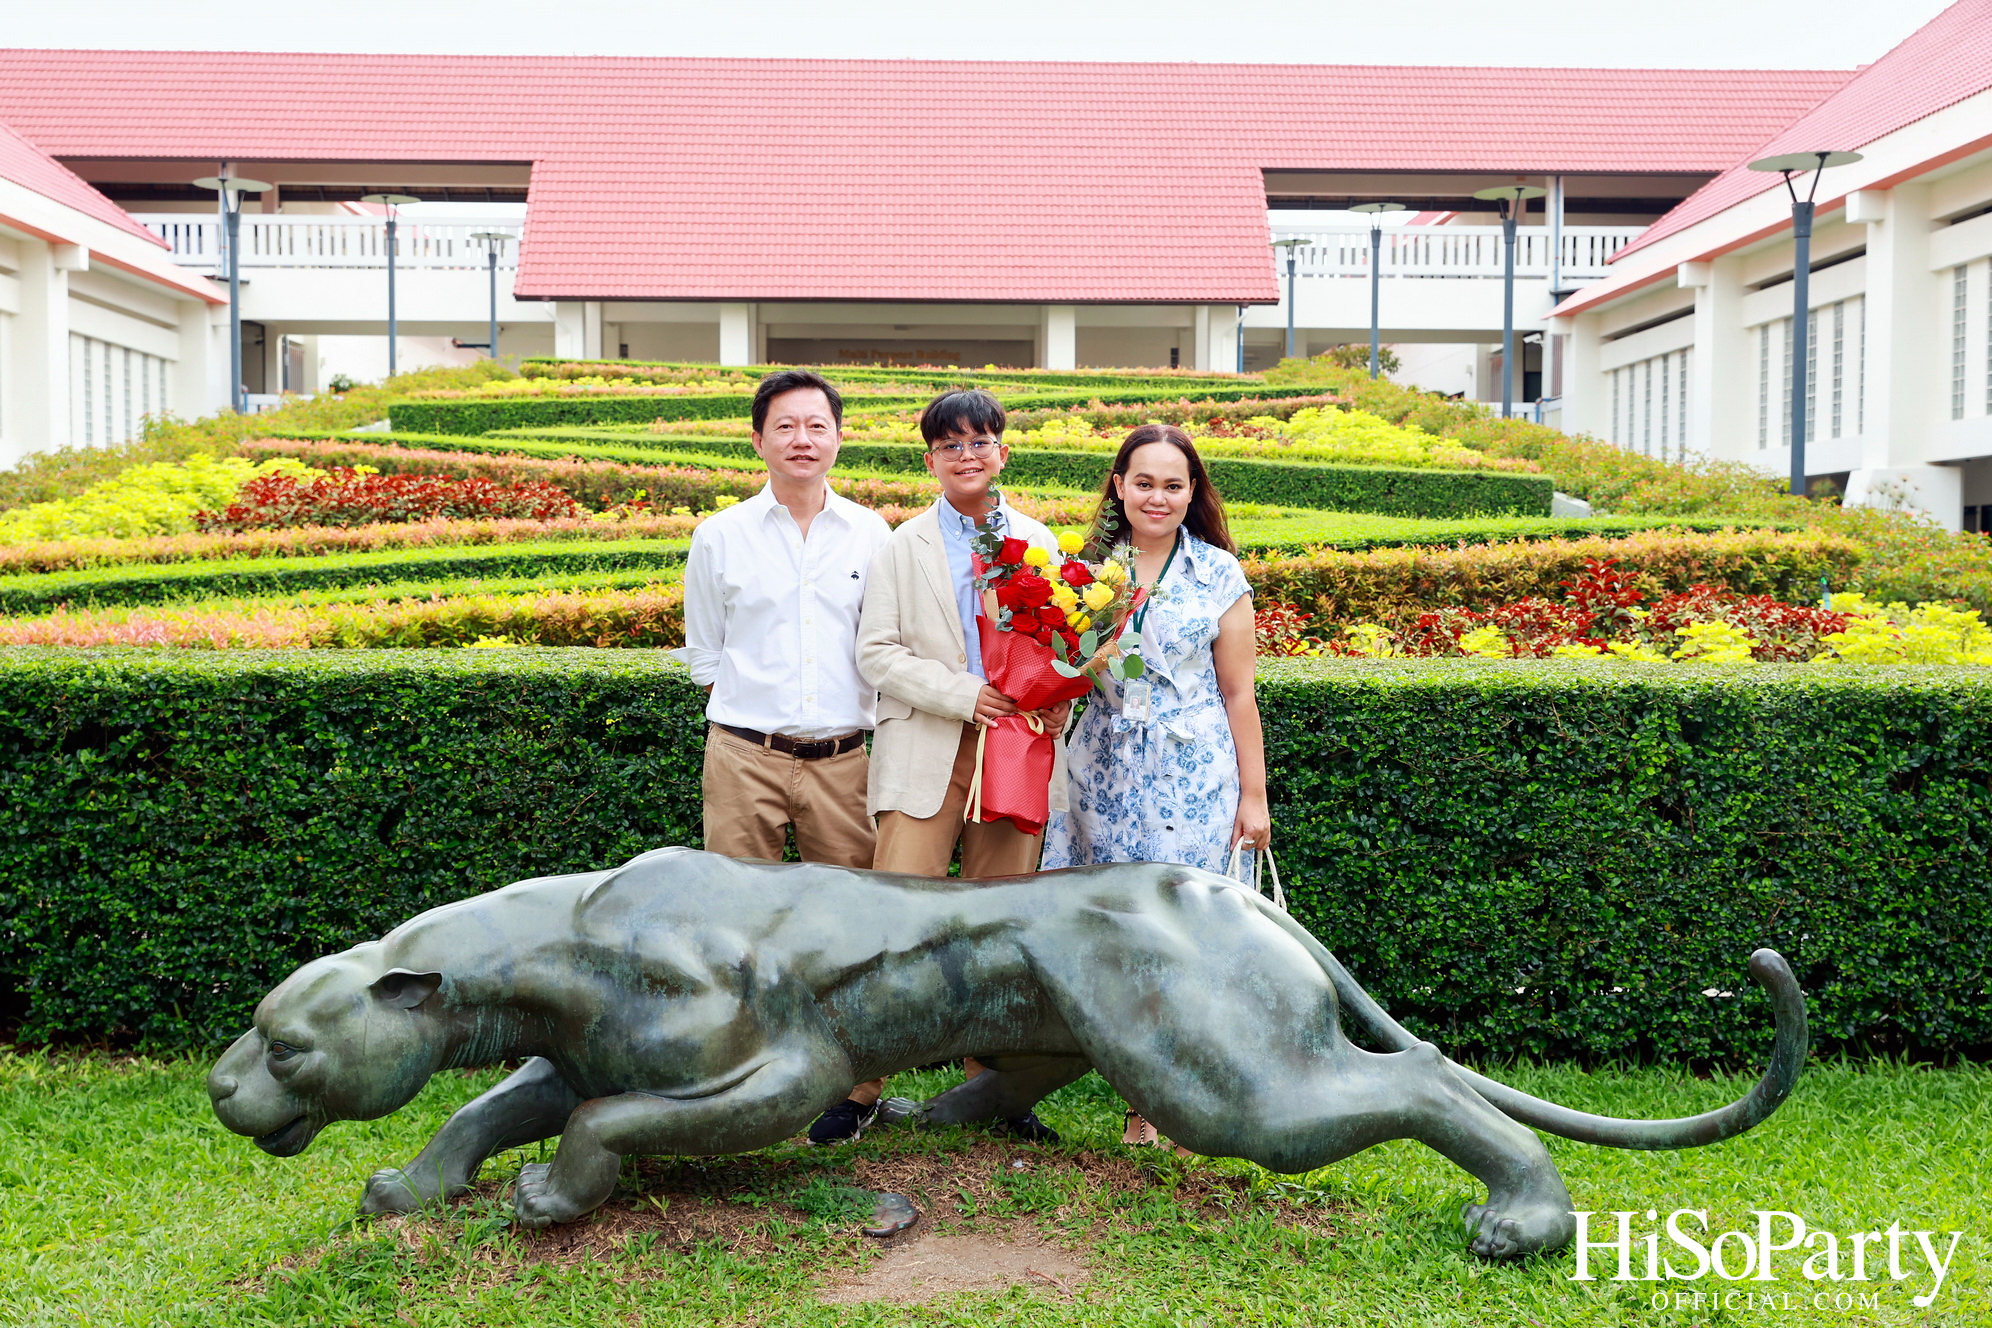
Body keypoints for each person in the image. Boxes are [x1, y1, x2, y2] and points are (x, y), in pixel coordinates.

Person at [673, 367, 893, 1145]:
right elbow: (706, 652)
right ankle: (743, 1076)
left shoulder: (873, 535)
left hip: (844, 759)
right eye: (787, 426)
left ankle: (857, 1087)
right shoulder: (719, 535)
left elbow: (884, 644)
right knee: (735, 923)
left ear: (839, 435)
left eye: (817, 425)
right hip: (744, 756)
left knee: (853, 923)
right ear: (759, 438)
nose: (803, 439)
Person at [1038, 423, 1270, 1149]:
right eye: (1144, 482)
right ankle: (1139, 1097)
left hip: (1195, 770)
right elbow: (1064, 675)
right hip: (1105, 769)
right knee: (1119, 928)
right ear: (1119, 485)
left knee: (1191, 924)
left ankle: (1193, 1084)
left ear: (1192, 492)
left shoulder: (1218, 575)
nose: (1158, 497)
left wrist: (1253, 797)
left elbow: (1238, 693)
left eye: (1174, 485)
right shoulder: (1084, 572)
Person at [856, 387, 1069, 1143]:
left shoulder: (1042, 543)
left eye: (981, 441)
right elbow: (876, 652)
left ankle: (993, 1086)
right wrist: (961, 694)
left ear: (1003, 452)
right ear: (931, 460)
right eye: (952, 445)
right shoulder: (901, 543)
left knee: (1000, 919)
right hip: (928, 743)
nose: (967, 455)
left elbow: (1065, 646)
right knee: (894, 916)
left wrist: (1056, 700)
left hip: (1015, 749)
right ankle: (860, 1085)